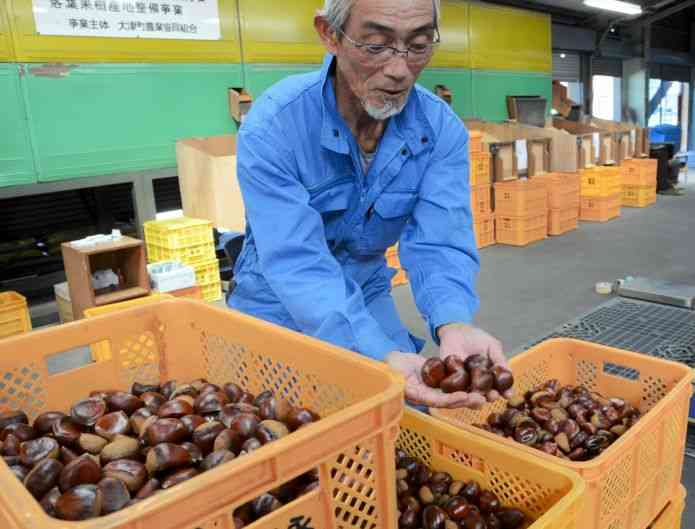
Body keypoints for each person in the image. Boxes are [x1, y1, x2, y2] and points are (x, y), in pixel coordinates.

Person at [228, 0, 510, 409]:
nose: (399, 69)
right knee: (280, 424)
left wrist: (452, 320)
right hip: (274, 296)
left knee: (402, 409)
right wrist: (376, 351)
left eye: (418, 45)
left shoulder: (440, 130)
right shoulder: (276, 124)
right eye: (376, 45)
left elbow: (440, 241)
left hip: (365, 285)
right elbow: (297, 261)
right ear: (330, 34)